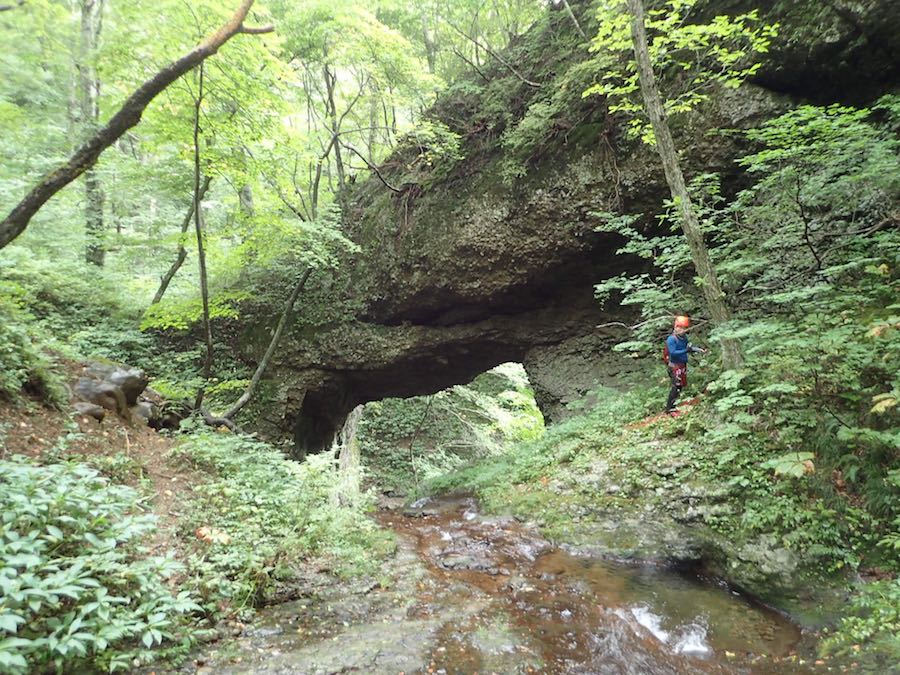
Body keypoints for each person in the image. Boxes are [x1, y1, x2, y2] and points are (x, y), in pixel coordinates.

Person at [664, 315, 704, 414]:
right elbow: (673, 352)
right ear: (675, 327)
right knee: (676, 386)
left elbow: (687, 348)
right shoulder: (671, 339)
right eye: (679, 327)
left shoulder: (684, 338)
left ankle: (674, 405)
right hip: (674, 365)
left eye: (684, 328)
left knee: (680, 386)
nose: (681, 330)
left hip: (682, 365)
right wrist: (686, 350)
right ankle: (669, 408)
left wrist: (698, 350)